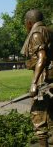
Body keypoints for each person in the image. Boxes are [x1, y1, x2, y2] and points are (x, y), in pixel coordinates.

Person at [21, 9, 53, 146]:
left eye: (25, 23)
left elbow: (42, 57)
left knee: (38, 114)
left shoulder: (36, 33)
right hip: (51, 77)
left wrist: (34, 83)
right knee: (51, 113)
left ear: (29, 22)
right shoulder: (49, 31)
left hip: (43, 79)